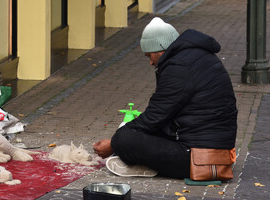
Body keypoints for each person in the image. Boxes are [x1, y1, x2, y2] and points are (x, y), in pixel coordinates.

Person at [93, 17, 238, 179]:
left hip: (201, 157)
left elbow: (156, 116)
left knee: (124, 138)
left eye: (149, 56)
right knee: (134, 130)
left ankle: (143, 163)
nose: (150, 62)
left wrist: (114, 144)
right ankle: (143, 162)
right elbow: (164, 114)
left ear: (160, 50)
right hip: (210, 147)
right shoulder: (195, 57)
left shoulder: (179, 67)